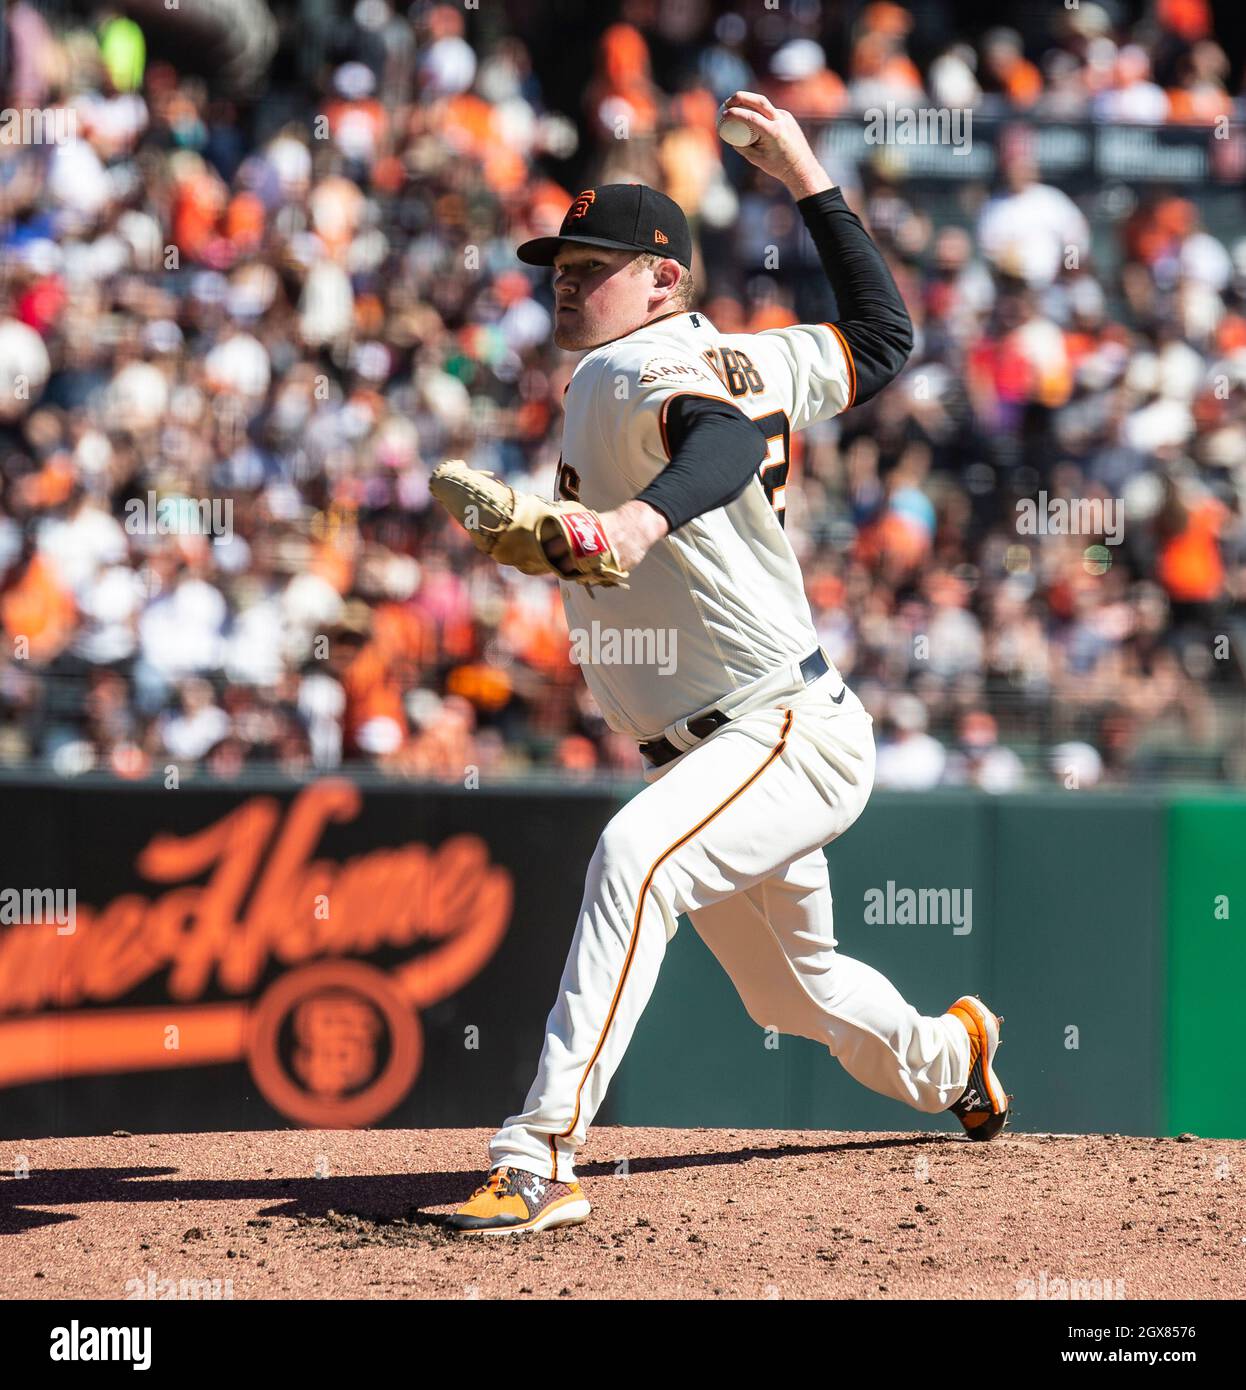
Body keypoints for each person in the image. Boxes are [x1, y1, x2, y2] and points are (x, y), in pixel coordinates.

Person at [440, 92, 1011, 1235]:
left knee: (633, 859)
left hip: (775, 732)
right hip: (748, 730)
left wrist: (636, 527)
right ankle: (953, 1056)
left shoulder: (634, 366)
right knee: (794, 991)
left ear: (664, 280)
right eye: (559, 260)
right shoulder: (749, 354)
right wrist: (810, 177)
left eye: (593, 263)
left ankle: (540, 1155)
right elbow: (883, 339)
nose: (566, 277)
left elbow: (718, 442)